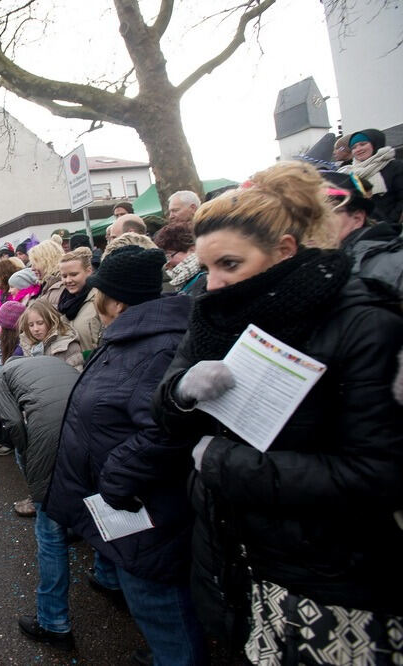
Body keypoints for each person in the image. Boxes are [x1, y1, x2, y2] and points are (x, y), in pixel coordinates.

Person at [152, 162, 403, 663]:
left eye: (229, 264)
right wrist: (181, 390)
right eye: (206, 269)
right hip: (235, 557)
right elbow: (165, 409)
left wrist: (222, 465)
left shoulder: (360, 323)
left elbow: (377, 473)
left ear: (285, 249)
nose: (214, 284)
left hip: (326, 579)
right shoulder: (214, 315)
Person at [47, 245, 205, 666]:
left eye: (98, 292)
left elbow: (171, 428)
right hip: (135, 514)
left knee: (161, 607)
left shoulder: (156, 348)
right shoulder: (132, 336)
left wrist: (117, 477)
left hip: (147, 516)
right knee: (156, 610)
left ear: (115, 300)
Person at [0, 356, 80, 650]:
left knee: (50, 531)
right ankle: (108, 578)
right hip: (90, 423)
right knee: (94, 513)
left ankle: (54, 624)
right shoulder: (49, 363)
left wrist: (27, 457)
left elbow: (14, 424)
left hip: (48, 434)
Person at [339, 128, 403, 224]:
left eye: (363, 144)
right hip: (364, 229)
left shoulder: (395, 166)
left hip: (393, 228)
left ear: (375, 144)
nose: (358, 149)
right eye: (354, 147)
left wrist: (392, 222)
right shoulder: (349, 172)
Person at [56, 248, 103, 357]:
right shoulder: (62, 303)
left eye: (74, 274)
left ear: (89, 271)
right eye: (64, 276)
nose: (68, 280)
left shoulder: (100, 299)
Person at [18, 300, 83, 371]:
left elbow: (76, 376)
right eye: (31, 325)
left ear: (51, 321)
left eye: (40, 323)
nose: (35, 329)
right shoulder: (28, 345)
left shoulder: (68, 345)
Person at [154, 221, 207, 296]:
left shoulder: (205, 278)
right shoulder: (188, 279)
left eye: (169, 255)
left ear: (192, 250)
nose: (168, 262)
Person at [28, 238, 65, 307]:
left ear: (48, 261)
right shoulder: (45, 286)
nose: (32, 268)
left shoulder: (61, 287)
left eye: (35, 263)